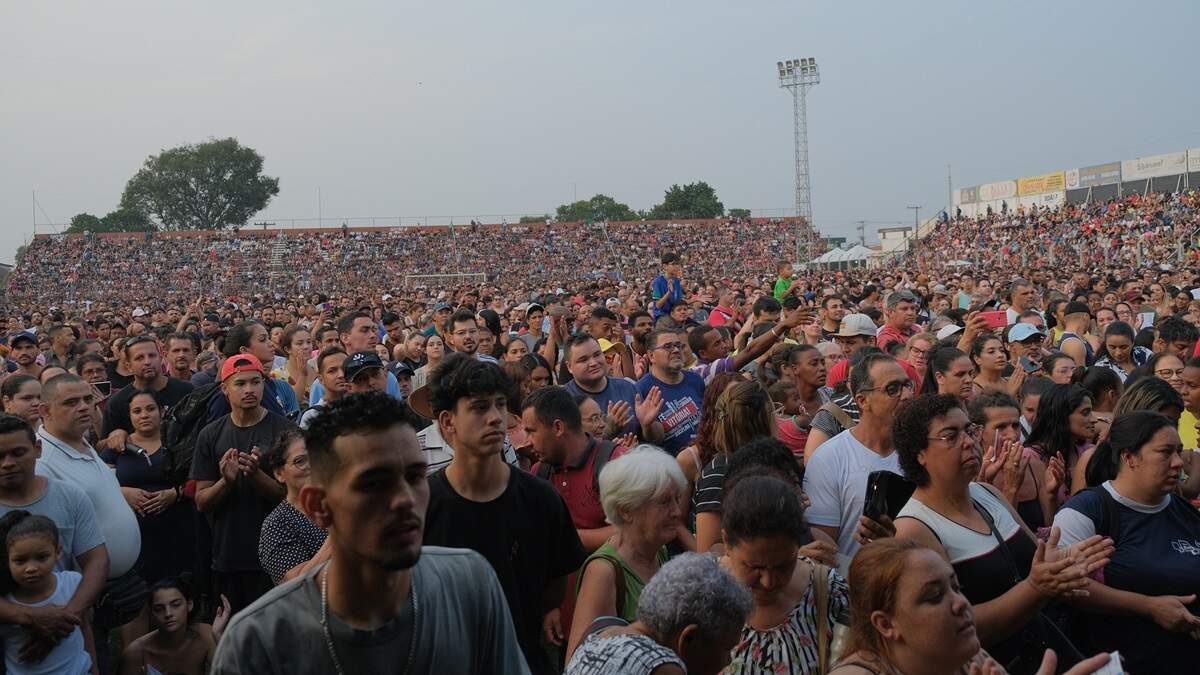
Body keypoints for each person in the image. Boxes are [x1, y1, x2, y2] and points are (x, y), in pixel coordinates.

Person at [212, 391, 530, 674]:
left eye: (416, 476)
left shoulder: (470, 584)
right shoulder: (257, 643)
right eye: (375, 484)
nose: (405, 499)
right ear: (319, 506)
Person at [892, 393, 1113, 673]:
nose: (970, 442)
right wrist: (1035, 588)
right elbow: (951, 626)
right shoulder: (913, 528)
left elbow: (1037, 562)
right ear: (918, 453)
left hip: (1045, 646)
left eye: (969, 430)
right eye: (951, 435)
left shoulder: (987, 493)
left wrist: (1064, 560)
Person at [422, 353, 585, 675]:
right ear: (447, 421)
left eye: (500, 404)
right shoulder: (421, 504)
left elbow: (554, 586)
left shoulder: (541, 498)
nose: (496, 417)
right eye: (480, 408)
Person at [830, 539, 1113, 675]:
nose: (960, 603)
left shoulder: (971, 658)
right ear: (885, 624)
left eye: (956, 587)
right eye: (933, 596)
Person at [1057, 411, 1200, 673]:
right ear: (1129, 457)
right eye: (1166, 452)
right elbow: (1064, 585)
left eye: (1179, 451)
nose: (1178, 462)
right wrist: (1149, 607)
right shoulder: (1087, 512)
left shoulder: (1184, 511)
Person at [36, 374, 146, 651]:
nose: (84, 407)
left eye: (88, 399)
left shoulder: (81, 442)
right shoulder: (43, 463)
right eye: (71, 402)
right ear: (45, 411)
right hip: (85, 602)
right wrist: (79, 605)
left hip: (115, 593)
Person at [0, 413, 108, 666]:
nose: (7, 463)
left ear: (37, 449)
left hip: (69, 633)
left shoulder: (70, 497)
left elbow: (97, 559)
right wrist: (29, 617)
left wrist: (65, 619)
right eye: (0, 456)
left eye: (17, 453)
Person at [189, 355, 292, 613]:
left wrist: (257, 476)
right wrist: (226, 481)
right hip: (229, 555)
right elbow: (201, 502)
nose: (249, 390)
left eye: (255, 382)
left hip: (280, 554)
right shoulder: (210, 434)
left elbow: (297, 500)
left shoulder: (286, 432)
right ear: (225, 389)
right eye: (240, 383)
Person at [565, 446, 688, 661]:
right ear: (626, 510)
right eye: (665, 502)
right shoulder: (603, 572)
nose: (677, 511)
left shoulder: (659, 550)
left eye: (677, 499)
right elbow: (580, 663)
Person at [719, 474, 849, 674]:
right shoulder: (703, 596)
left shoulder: (828, 592)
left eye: (782, 566)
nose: (769, 582)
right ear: (726, 542)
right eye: (755, 567)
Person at [803, 354, 912, 570]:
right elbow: (824, 545)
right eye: (893, 389)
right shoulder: (829, 458)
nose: (907, 395)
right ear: (863, 401)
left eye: (907, 385)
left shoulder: (922, 451)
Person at [564, 552, 751, 675]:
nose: (728, 661)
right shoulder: (663, 668)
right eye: (726, 648)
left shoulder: (601, 632)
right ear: (689, 639)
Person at [99, 391, 195, 590]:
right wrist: (122, 492)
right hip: (135, 537)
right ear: (130, 416)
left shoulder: (178, 443)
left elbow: (198, 480)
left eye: (150, 409)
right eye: (137, 411)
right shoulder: (119, 447)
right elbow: (97, 484)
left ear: (161, 412)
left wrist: (174, 494)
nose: (144, 415)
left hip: (178, 531)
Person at [0, 511, 95, 675]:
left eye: (42, 557)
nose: (31, 568)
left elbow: (85, 627)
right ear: (7, 560)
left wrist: (94, 669)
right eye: (20, 561)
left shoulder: (73, 583)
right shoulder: (6, 601)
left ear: (58, 552)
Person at [691, 380, 779, 552]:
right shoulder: (718, 475)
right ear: (761, 423)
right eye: (774, 412)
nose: (778, 420)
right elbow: (708, 550)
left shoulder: (767, 462)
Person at [118, 575, 229, 675]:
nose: (168, 614)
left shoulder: (205, 635)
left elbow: (231, 671)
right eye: (159, 609)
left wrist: (218, 636)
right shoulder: (136, 653)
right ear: (152, 612)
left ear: (189, 605)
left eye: (175, 605)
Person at [258, 430, 328, 585]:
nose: (311, 466)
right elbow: (297, 586)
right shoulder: (276, 525)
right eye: (300, 461)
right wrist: (338, 536)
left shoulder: (337, 504)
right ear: (279, 473)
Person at [564, 335, 664, 442]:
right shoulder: (564, 400)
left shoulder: (628, 387)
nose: (593, 363)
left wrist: (647, 426)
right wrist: (609, 432)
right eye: (583, 360)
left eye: (597, 355)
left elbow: (658, 438)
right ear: (569, 366)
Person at [636, 329, 706, 456]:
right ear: (651, 356)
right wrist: (648, 426)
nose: (676, 350)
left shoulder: (695, 380)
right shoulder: (642, 390)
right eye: (667, 346)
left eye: (678, 345)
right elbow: (655, 439)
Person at [1026, 384, 1095, 498]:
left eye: (1091, 411)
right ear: (1061, 415)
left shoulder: (1088, 451)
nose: (1094, 419)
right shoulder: (1031, 457)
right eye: (1085, 413)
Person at [298, 347, 347, 429]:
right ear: (321, 379)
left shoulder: (362, 407)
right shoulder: (312, 416)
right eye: (332, 371)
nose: (341, 375)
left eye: (344, 368)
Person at [651, 253, 685, 321]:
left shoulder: (677, 281)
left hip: (675, 316)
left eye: (677, 264)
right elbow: (658, 305)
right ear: (665, 266)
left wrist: (695, 299)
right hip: (662, 317)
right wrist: (668, 293)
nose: (677, 266)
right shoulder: (658, 281)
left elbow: (679, 301)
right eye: (673, 264)